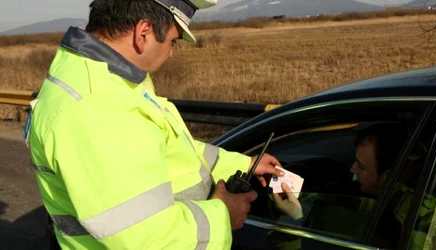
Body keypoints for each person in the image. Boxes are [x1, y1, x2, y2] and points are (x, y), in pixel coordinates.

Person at [24, 0, 284, 249]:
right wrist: (223, 216)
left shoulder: (108, 78)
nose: (171, 52)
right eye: (172, 41)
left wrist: (243, 164)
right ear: (144, 32)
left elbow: (169, 149)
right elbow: (149, 241)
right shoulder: (97, 106)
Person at [271, 123, 436, 249]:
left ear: (387, 177)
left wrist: (293, 221)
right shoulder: (349, 196)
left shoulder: (430, 215)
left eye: (361, 166)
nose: (353, 168)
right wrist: (295, 217)